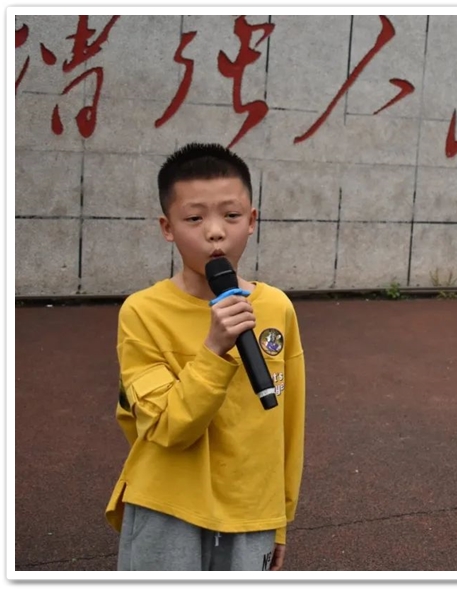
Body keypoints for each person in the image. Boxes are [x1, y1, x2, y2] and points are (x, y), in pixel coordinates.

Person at [105, 143, 306, 571]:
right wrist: (213, 349)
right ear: (167, 227)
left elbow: (287, 425)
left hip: (251, 510)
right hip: (168, 505)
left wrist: (280, 519)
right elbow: (166, 428)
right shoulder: (143, 312)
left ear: (252, 221)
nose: (215, 232)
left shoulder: (277, 308)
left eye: (231, 215)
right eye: (194, 218)